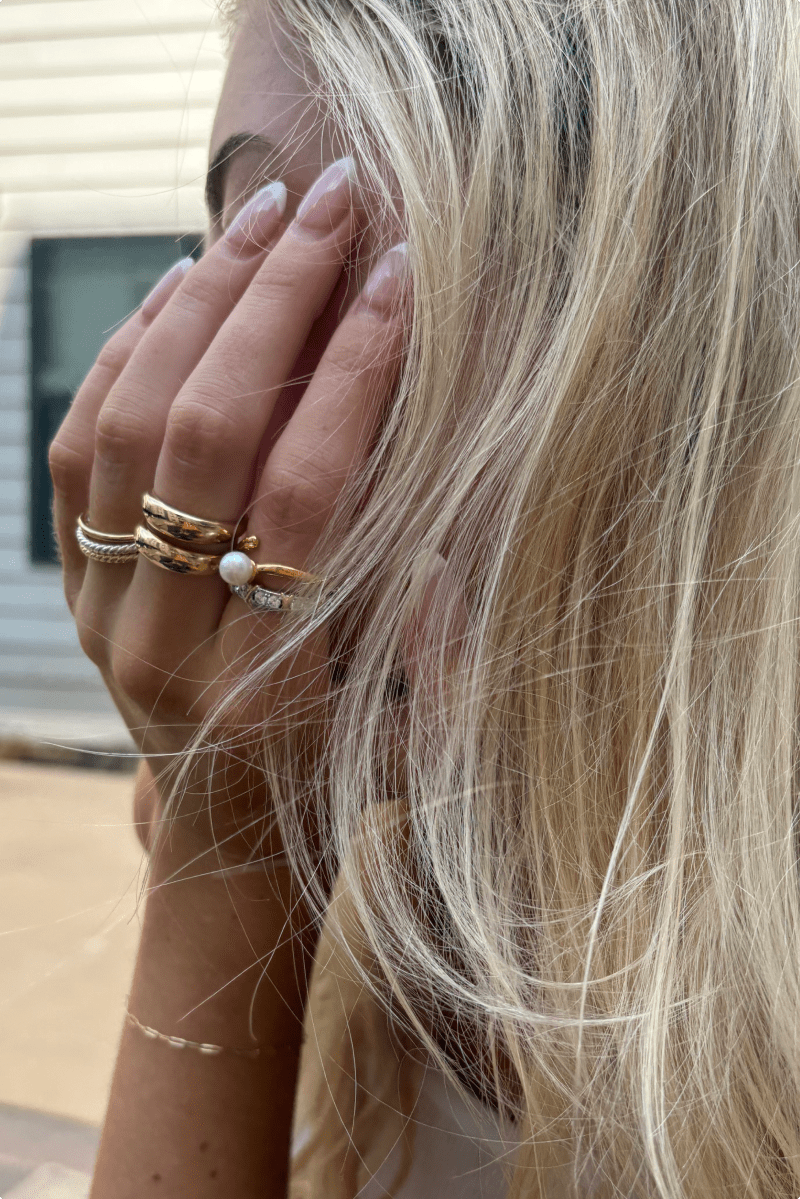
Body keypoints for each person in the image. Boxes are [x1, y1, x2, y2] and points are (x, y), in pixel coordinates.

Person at [40, 0, 800, 1194]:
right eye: (254, 239)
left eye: (389, 289)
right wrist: (221, 849)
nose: (226, 407)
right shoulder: (347, 821)